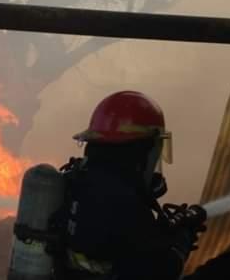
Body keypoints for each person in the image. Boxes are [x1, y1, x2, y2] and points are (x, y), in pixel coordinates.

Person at [57, 91, 207, 280]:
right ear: (140, 152)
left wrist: (159, 233)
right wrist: (181, 240)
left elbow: (118, 244)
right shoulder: (124, 202)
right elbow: (162, 271)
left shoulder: (77, 181)